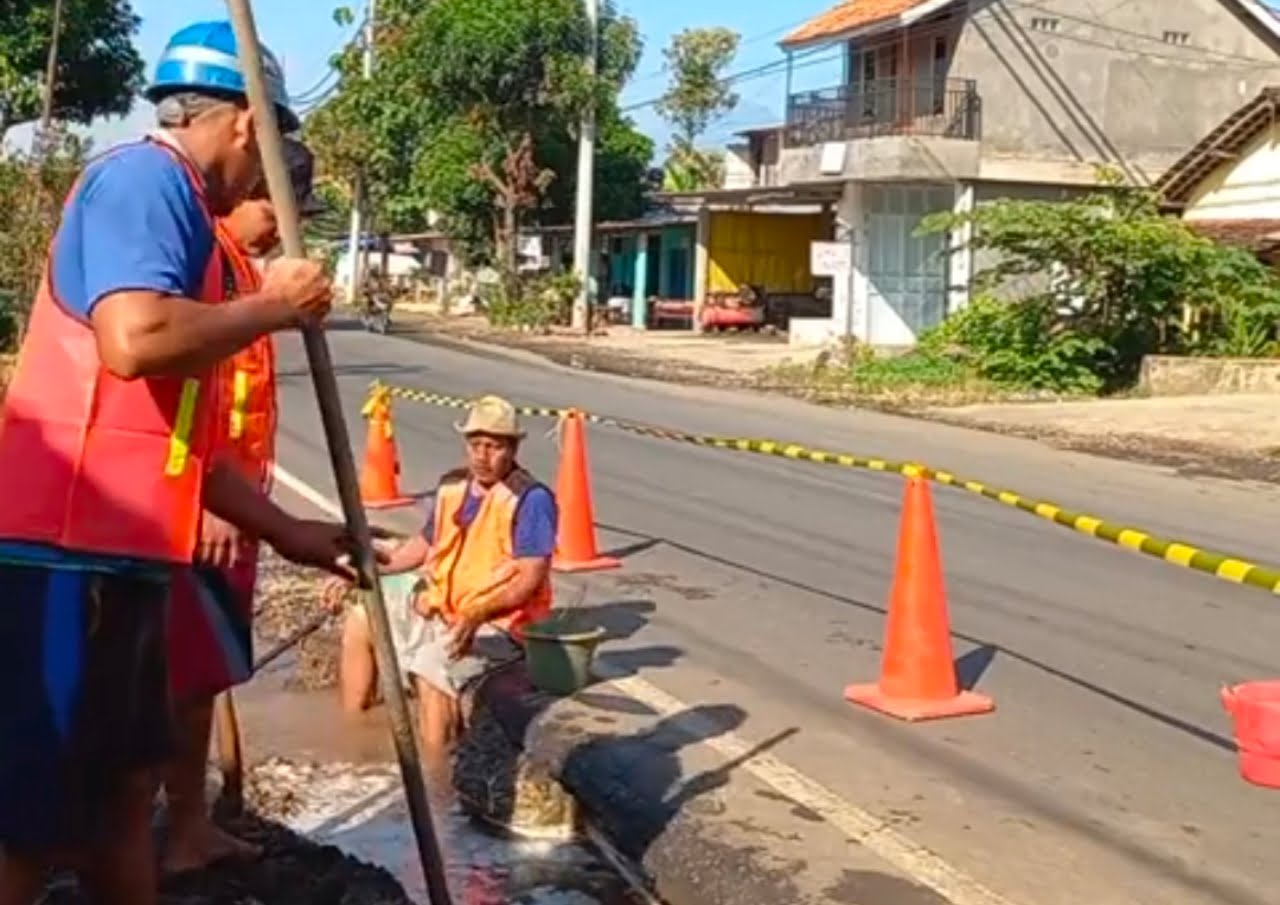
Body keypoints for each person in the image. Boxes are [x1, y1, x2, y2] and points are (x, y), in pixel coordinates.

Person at [0, 21, 352, 905]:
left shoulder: (193, 223)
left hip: (128, 554)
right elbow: (134, 340)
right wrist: (273, 308)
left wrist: (293, 532)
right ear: (247, 123)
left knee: (124, 797)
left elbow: (179, 440)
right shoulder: (144, 180)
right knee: (33, 819)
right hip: (60, 550)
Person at [161, 137, 327, 876]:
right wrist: (208, 502)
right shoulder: (206, 268)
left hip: (239, 503)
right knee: (181, 679)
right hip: (205, 507)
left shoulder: (243, 275)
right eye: (272, 211)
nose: (277, 232)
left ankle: (188, 822)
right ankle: (172, 828)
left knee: (203, 678)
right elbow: (189, 400)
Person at [339, 395, 557, 782]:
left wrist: (477, 613)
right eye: (476, 444)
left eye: (494, 446)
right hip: (443, 603)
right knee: (362, 616)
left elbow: (530, 577)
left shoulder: (531, 499)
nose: (482, 456)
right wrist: (361, 571)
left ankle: (434, 778)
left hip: (500, 623)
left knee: (431, 666)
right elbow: (423, 546)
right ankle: (351, 743)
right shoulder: (453, 486)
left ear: (512, 449)